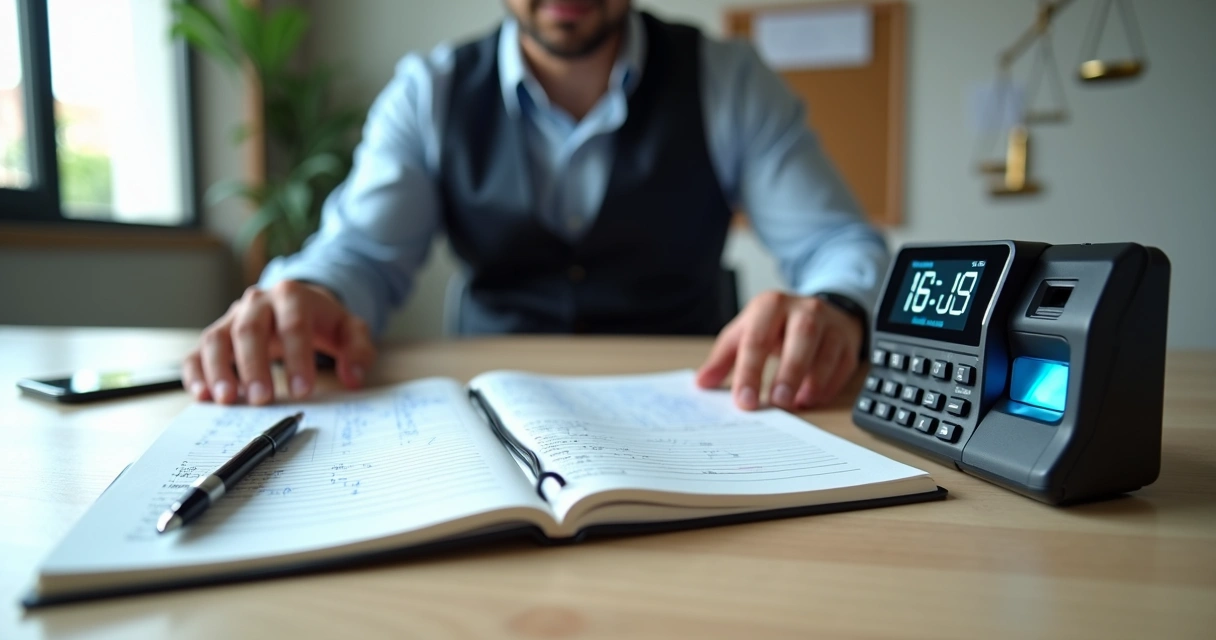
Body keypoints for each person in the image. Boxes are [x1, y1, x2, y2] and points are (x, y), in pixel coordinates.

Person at [183, 0, 889, 413]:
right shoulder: (429, 92)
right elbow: (362, 253)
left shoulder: (727, 79)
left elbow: (837, 242)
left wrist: (835, 304)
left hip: (696, 406)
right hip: (488, 404)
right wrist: (305, 292)